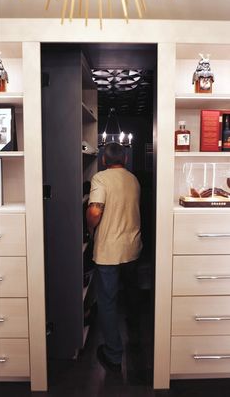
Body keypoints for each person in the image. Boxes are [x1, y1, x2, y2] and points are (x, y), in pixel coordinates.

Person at [86, 142, 142, 373]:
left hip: (109, 250)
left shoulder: (100, 179)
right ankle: (136, 339)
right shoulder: (133, 179)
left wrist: (91, 231)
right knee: (131, 294)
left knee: (107, 302)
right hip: (132, 248)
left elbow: (95, 211)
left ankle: (113, 354)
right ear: (125, 159)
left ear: (103, 161)